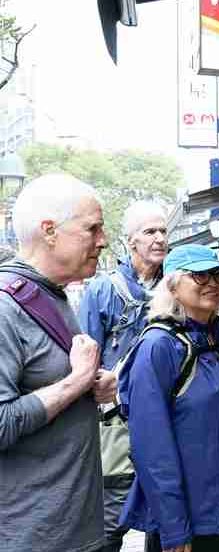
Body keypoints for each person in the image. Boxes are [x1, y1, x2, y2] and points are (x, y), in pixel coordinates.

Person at [0, 173, 116, 552]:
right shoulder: (5, 308)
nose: (103, 240)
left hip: (75, 531)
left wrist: (91, 387)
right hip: (31, 538)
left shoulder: (55, 296)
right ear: (49, 231)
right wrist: (77, 381)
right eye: (92, 228)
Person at [120, 244, 219, 552]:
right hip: (188, 514)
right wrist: (174, 528)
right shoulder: (158, 346)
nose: (212, 282)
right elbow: (152, 448)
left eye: (217, 276)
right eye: (199, 275)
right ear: (172, 286)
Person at [79, 200, 168, 552]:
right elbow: (86, 365)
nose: (159, 238)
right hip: (117, 425)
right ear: (130, 241)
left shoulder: (178, 286)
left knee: (167, 521)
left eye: (163, 231)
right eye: (150, 232)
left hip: (167, 420)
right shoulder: (102, 290)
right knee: (111, 522)